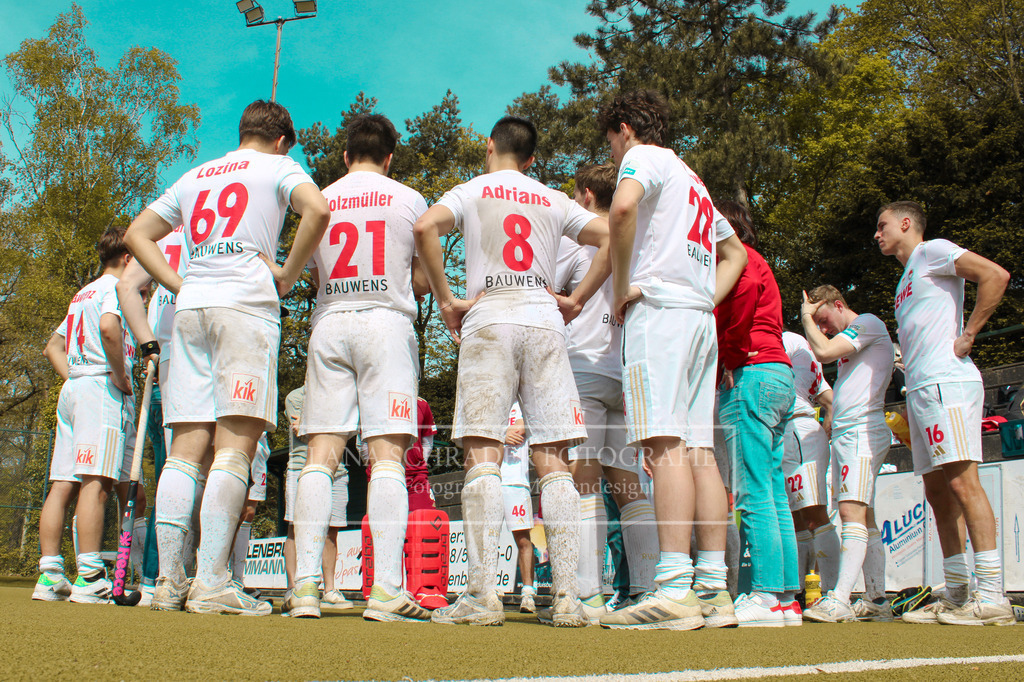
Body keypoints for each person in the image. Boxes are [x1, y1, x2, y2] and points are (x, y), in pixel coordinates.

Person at [125, 100, 330, 616]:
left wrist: (180, 282)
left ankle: (168, 582)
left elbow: (136, 235)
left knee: (183, 450)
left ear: (242, 132)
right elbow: (318, 210)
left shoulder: (195, 174)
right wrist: (285, 272)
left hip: (191, 310)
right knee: (235, 448)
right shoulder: (280, 165)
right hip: (245, 306)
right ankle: (213, 580)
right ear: (283, 139)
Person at [415, 115, 610, 627]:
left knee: (482, 455)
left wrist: (446, 300)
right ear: (530, 160)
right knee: (554, 460)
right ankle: (568, 598)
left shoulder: (472, 189)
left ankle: (482, 596)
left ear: (489, 147)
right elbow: (615, 232)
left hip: (490, 313)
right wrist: (578, 299)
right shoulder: (553, 197)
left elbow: (423, 227)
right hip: (544, 318)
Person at [598, 90, 748, 630]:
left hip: (659, 313)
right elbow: (735, 254)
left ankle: (673, 585)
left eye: (610, 142)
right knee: (698, 449)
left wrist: (620, 286)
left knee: (664, 445)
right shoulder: (696, 182)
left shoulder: (645, 156)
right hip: (695, 318)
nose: (612, 153)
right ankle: (712, 587)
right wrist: (707, 296)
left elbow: (621, 207)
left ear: (624, 129)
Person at [286, 113, 430, 622]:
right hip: (385, 326)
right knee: (386, 458)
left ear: (346, 155)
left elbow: (304, 268)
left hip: (330, 324)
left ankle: (305, 587)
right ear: (390, 157)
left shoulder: (318, 198)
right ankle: (386, 590)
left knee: (318, 459)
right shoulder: (410, 199)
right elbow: (420, 280)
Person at [874, 200, 1014, 625]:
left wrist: (969, 333)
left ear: (905, 223)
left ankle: (992, 594)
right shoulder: (903, 280)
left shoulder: (931, 250)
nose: (876, 235)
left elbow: (996, 275)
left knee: (962, 482)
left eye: (881, 226)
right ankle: (957, 590)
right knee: (936, 492)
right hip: (920, 390)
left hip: (945, 383)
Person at [555, 163, 658, 621]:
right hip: (624, 372)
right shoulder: (638, 241)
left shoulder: (579, 238)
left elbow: (541, 285)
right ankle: (646, 588)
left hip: (584, 370)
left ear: (585, 197)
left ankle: (588, 593)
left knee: (584, 481)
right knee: (629, 485)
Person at [34, 227, 140, 604]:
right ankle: (91, 575)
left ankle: (50, 576)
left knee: (63, 482)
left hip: (76, 389)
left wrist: (76, 378)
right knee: (96, 480)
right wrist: (117, 376)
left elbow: (52, 347)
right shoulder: (117, 288)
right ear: (128, 257)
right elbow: (110, 328)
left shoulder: (83, 293)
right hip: (100, 390)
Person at [714, 200, 798, 627]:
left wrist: (727, 356)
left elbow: (742, 300)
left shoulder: (739, 260)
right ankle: (784, 596)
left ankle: (764, 593)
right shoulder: (759, 261)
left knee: (753, 490)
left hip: (751, 372)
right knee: (773, 490)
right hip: (777, 374)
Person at [799, 285, 893, 623]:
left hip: (861, 429)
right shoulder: (854, 336)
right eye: (818, 323)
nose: (822, 328)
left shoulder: (866, 322)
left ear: (839, 305)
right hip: (848, 430)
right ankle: (877, 599)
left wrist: (806, 317)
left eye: (824, 319)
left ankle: (839, 599)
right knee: (864, 517)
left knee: (851, 512)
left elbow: (821, 352)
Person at [115, 223, 190, 605]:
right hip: (196, 357)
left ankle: (160, 578)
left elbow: (126, 287)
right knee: (196, 471)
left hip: (165, 365)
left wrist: (148, 345)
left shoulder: (158, 238)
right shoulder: (214, 230)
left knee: (172, 472)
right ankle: (173, 576)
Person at [281, 386, 352, 613]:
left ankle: (330, 589)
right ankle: (294, 588)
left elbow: (351, 430)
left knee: (332, 530)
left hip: (338, 471)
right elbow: (301, 431)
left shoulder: (340, 394)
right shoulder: (295, 397)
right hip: (300, 468)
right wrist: (333, 427)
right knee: (295, 528)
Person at [781, 331, 839, 599]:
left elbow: (790, 393)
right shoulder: (801, 347)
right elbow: (828, 399)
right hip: (794, 431)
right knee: (798, 520)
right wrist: (827, 420)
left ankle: (833, 593)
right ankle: (803, 593)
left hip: (797, 428)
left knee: (814, 516)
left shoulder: (787, 340)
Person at [500, 402, 537, 613]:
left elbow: (521, 429)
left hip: (516, 482)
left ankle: (528, 594)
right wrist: (501, 434)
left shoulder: (521, 403)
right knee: (486, 537)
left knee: (523, 539)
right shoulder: (493, 400)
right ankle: (484, 591)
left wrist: (497, 434)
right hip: (491, 478)